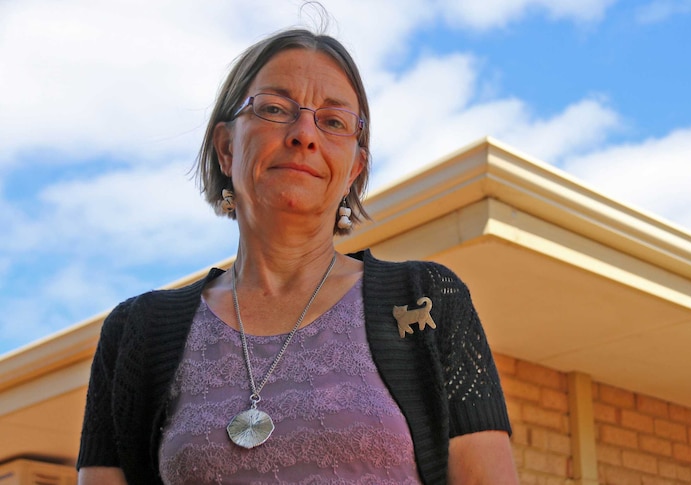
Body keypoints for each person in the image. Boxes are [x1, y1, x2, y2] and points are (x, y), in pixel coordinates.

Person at [77, 28, 517, 485]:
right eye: (274, 109)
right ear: (226, 147)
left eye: (332, 121)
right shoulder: (136, 333)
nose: (304, 134)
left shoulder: (428, 302)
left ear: (354, 169)